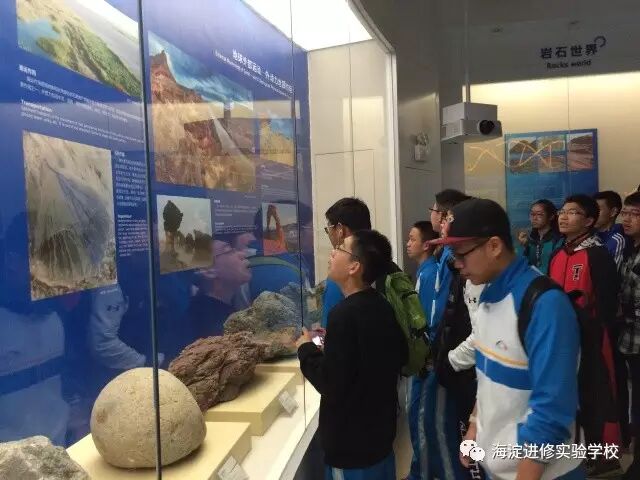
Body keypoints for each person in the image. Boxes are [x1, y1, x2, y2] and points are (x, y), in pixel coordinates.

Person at [436, 198, 583, 480]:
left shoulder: (544, 305)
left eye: (461, 253)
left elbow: (552, 412)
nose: (456, 264)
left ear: (494, 246)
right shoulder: (486, 295)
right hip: (499, 467)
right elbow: (487, 379)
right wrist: (475, 427)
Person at [296, 230, 408, 479]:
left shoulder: (343, 315)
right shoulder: (381, 304)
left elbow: (330, 383)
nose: (332, 252)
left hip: (351, 448)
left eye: (340, 248)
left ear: (354, 266)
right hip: (379, 438)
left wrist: (305, 348)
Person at [549, 194, 622, 478]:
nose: (564, 217)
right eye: (562, 211)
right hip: (563, 339)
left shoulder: (597, 255)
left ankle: (605, 457)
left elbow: (607, 303)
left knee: (599, 394)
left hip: (593, 338)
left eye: (573, 212)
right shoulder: (558, 254)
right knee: (572, 395)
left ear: (590, 220)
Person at [407, 189, 475, 480]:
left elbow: (442, 316)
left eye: (437, 211)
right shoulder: (445, 255)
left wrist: (439, 357)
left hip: (447, 357)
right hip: (446, 355)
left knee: (439, 425)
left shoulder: (448, 260)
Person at [405, 221, 439, 480]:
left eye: (412, 239)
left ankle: (421, 474)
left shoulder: (429, 274)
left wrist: (423, 358)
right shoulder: (423, 272)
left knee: (420, 418)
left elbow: (426, 321)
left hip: (425, 362)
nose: (408, 244)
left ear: (427, 244)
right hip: (423, 360)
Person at [321, 198, 372, 328]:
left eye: (328, 229)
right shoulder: (376, 261)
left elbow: (330, 331)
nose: (333, 253)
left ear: (340, 230)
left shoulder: (340, 276)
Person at [618, 192, 640, 479]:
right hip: (631, 341)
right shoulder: (629, 250)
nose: (627, 219)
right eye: (626, 213)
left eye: (635, 214)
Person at [516, 199, 563, 274]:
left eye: (539, 214)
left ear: (551, 216)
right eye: (532, 214)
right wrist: (524, 246)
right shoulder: (531, 239)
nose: (534, 218)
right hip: (532, 279)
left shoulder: (558, 240)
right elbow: (520, 264)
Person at [593, 191, 627, 270]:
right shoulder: (591, 235)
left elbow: (609, 274)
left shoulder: (617, 240)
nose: (593, 214)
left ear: (613, 212)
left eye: (597, 210)